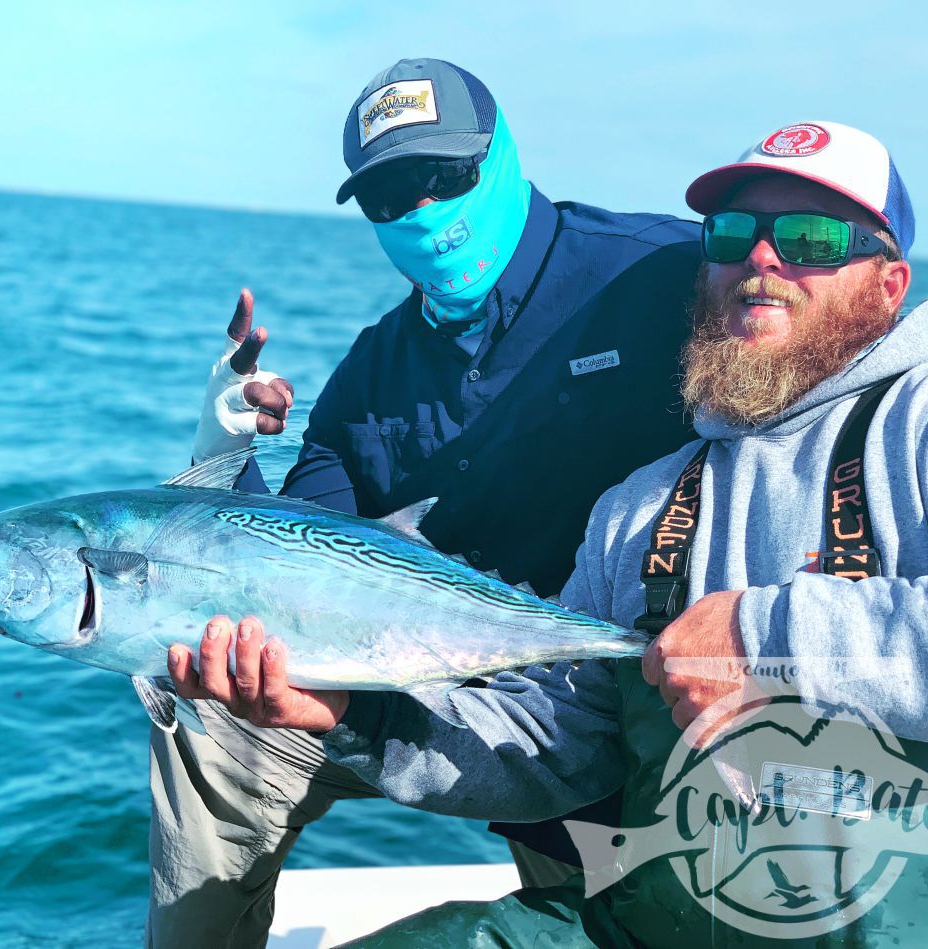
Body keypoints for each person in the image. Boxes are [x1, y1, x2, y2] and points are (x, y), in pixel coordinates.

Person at [182, 121, 928, 945]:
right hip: (661, 919)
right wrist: (354, 713)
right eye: (731, 234)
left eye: (812, 237)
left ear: (890, 283)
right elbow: (560, 740)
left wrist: (764, 637)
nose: (762, 259)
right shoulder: (639, 508)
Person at [148, 58, 702, 947]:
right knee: (217, 727)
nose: (422, 211)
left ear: (504, 152)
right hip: (420, 683)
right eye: (390, 195)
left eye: (445, 175)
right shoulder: (370, 376)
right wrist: (225, 448)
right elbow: (291, 557)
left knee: (631, 918)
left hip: (624, 699)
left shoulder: (662, 275)